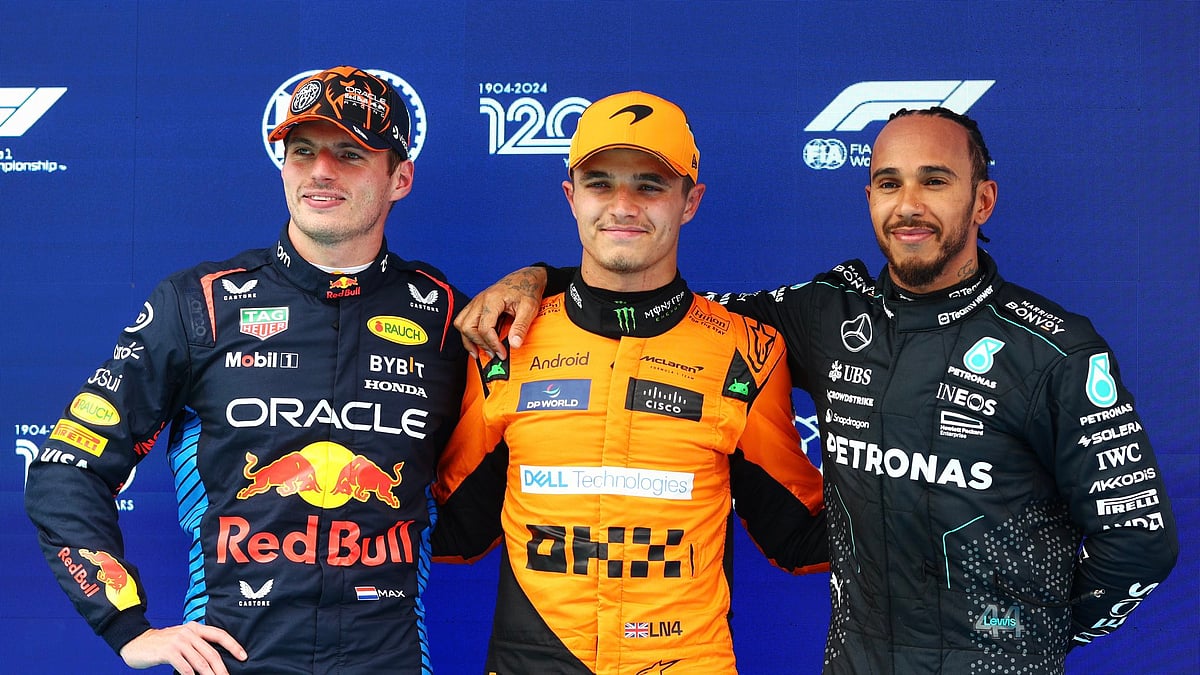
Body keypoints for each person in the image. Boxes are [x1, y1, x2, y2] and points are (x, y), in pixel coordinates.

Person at [453, 107, 1179, 673]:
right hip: (858, 659)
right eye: (890, 183)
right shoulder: (828, 311)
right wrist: (539, 279)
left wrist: (1035, 631)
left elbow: (1140, 543)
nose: (910, 204)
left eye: (936, 180)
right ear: (869, 196)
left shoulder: (1054, 345)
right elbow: (652, 305)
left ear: (982, 199)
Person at [25, 66, 468, 674]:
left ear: (400, 177)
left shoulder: (449, 318)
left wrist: (538, 279)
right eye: (302, 151)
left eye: (350, 153)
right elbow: (66, 469)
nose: (319, 171)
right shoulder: (199, 303)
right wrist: (124, 625)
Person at [431, 91, 827, 674]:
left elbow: (796, 531)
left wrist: (941, 511)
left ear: (690, 201)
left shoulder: (745, 350)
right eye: (599, 183)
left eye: (650, 185)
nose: (623, 205)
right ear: (571, 197)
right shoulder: (506, 338)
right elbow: (449, 525)